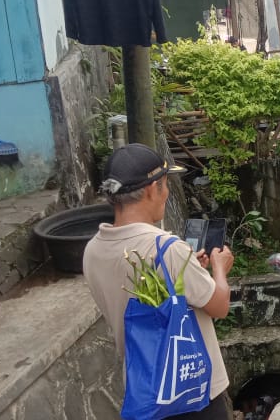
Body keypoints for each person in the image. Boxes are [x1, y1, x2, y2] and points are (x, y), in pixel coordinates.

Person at [83, 144, 235, 418]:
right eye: (165, 186)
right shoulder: (166, 248)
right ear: (153, 189)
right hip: (194, 391)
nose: (165, 194)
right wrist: (219, 269)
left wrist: (190, 272)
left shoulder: (93, 250)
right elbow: (220, 305)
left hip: (146, 393)